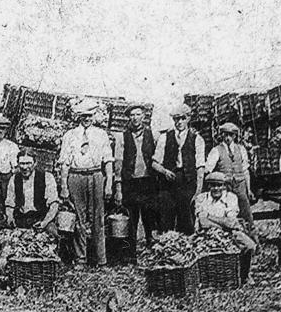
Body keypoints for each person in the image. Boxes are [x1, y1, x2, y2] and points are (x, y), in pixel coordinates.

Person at [57, 98, 115, 267]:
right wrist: (64, 187)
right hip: (76, 177)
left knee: (98, 218)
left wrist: (109, 183)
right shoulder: (70, 135)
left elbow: (108, 160)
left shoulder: (101, 134)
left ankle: (101, 259)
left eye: (90, 115)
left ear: (94, 115)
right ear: (78, 116)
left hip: (96, 175)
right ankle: (80, 258)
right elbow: (65, 162)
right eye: (83, 115)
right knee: (79, 219)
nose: (87, 118)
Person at [0, 152, 62, 267]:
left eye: (28, 163)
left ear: (35, 163)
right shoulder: (14, 178)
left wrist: (44, 222)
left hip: (39, 218)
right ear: (18, 164)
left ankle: (52, 264)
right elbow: (9, 204)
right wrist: (10, 217)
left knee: (53, 234)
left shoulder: (47, 177)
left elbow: (54, 205)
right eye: (21, 163)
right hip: (20, 218)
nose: (24, 167)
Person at [115, 105, 170, 242]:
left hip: (148, 182)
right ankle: (130, 254)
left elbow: (160, 155)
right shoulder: (122, 137)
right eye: (132, 115)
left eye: (138, 115)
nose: (135, 118)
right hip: (130, 182)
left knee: (149, 216)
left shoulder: (153, 135)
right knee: (131, 217)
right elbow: (118, 162)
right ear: (129, 118)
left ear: (143, 117)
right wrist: (118, 186)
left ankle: (151, 247)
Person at [194, 171, 257, 279]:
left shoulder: (231, 197)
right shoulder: (201, 198)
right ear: (209, 186)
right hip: (204, 234)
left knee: (249, 246)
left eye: (219, 185)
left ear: (224, 186)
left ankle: (243, 275)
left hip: (229, 233)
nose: (216, 189)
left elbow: (231, 222)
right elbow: (203, 223)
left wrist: (209, 216)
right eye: (213, 185)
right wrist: (223, 223)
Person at [156, 105, 207, 234]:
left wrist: (198, 190)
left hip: (188, 182)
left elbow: (200, 167)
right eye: (176, 119)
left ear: (188, 119)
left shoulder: (197, 139)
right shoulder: (164, 137)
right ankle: (167, 246)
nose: (179, 122)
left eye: (182, 118)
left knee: (187, 217)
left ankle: (186, 248)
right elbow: (154, 163)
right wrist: (164, 171)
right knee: (167, 216)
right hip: (169, 182)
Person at [204, 123, 255, 239]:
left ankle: (254, 243)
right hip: (225, 187)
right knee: (227, 215)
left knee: (246, 214)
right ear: (222, 135)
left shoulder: (241, 149)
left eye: (231, 135)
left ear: (235, 136)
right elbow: (208, 170)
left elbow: (246, 170)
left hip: (240, 185)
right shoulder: (216, 150)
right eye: (225, 135)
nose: (228, 138)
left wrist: (249, 189)